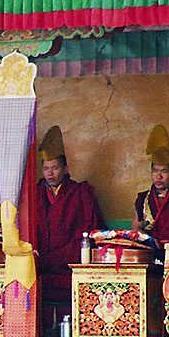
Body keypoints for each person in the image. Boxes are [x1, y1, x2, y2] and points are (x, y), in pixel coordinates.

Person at [34, 126, 106, 303]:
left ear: (65, 168)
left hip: (72, 265)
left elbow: (93, 230)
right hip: (42, 266)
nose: (50, 173)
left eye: (55, 168)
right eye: (46, 168)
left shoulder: (80, 192)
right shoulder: (35, 194)